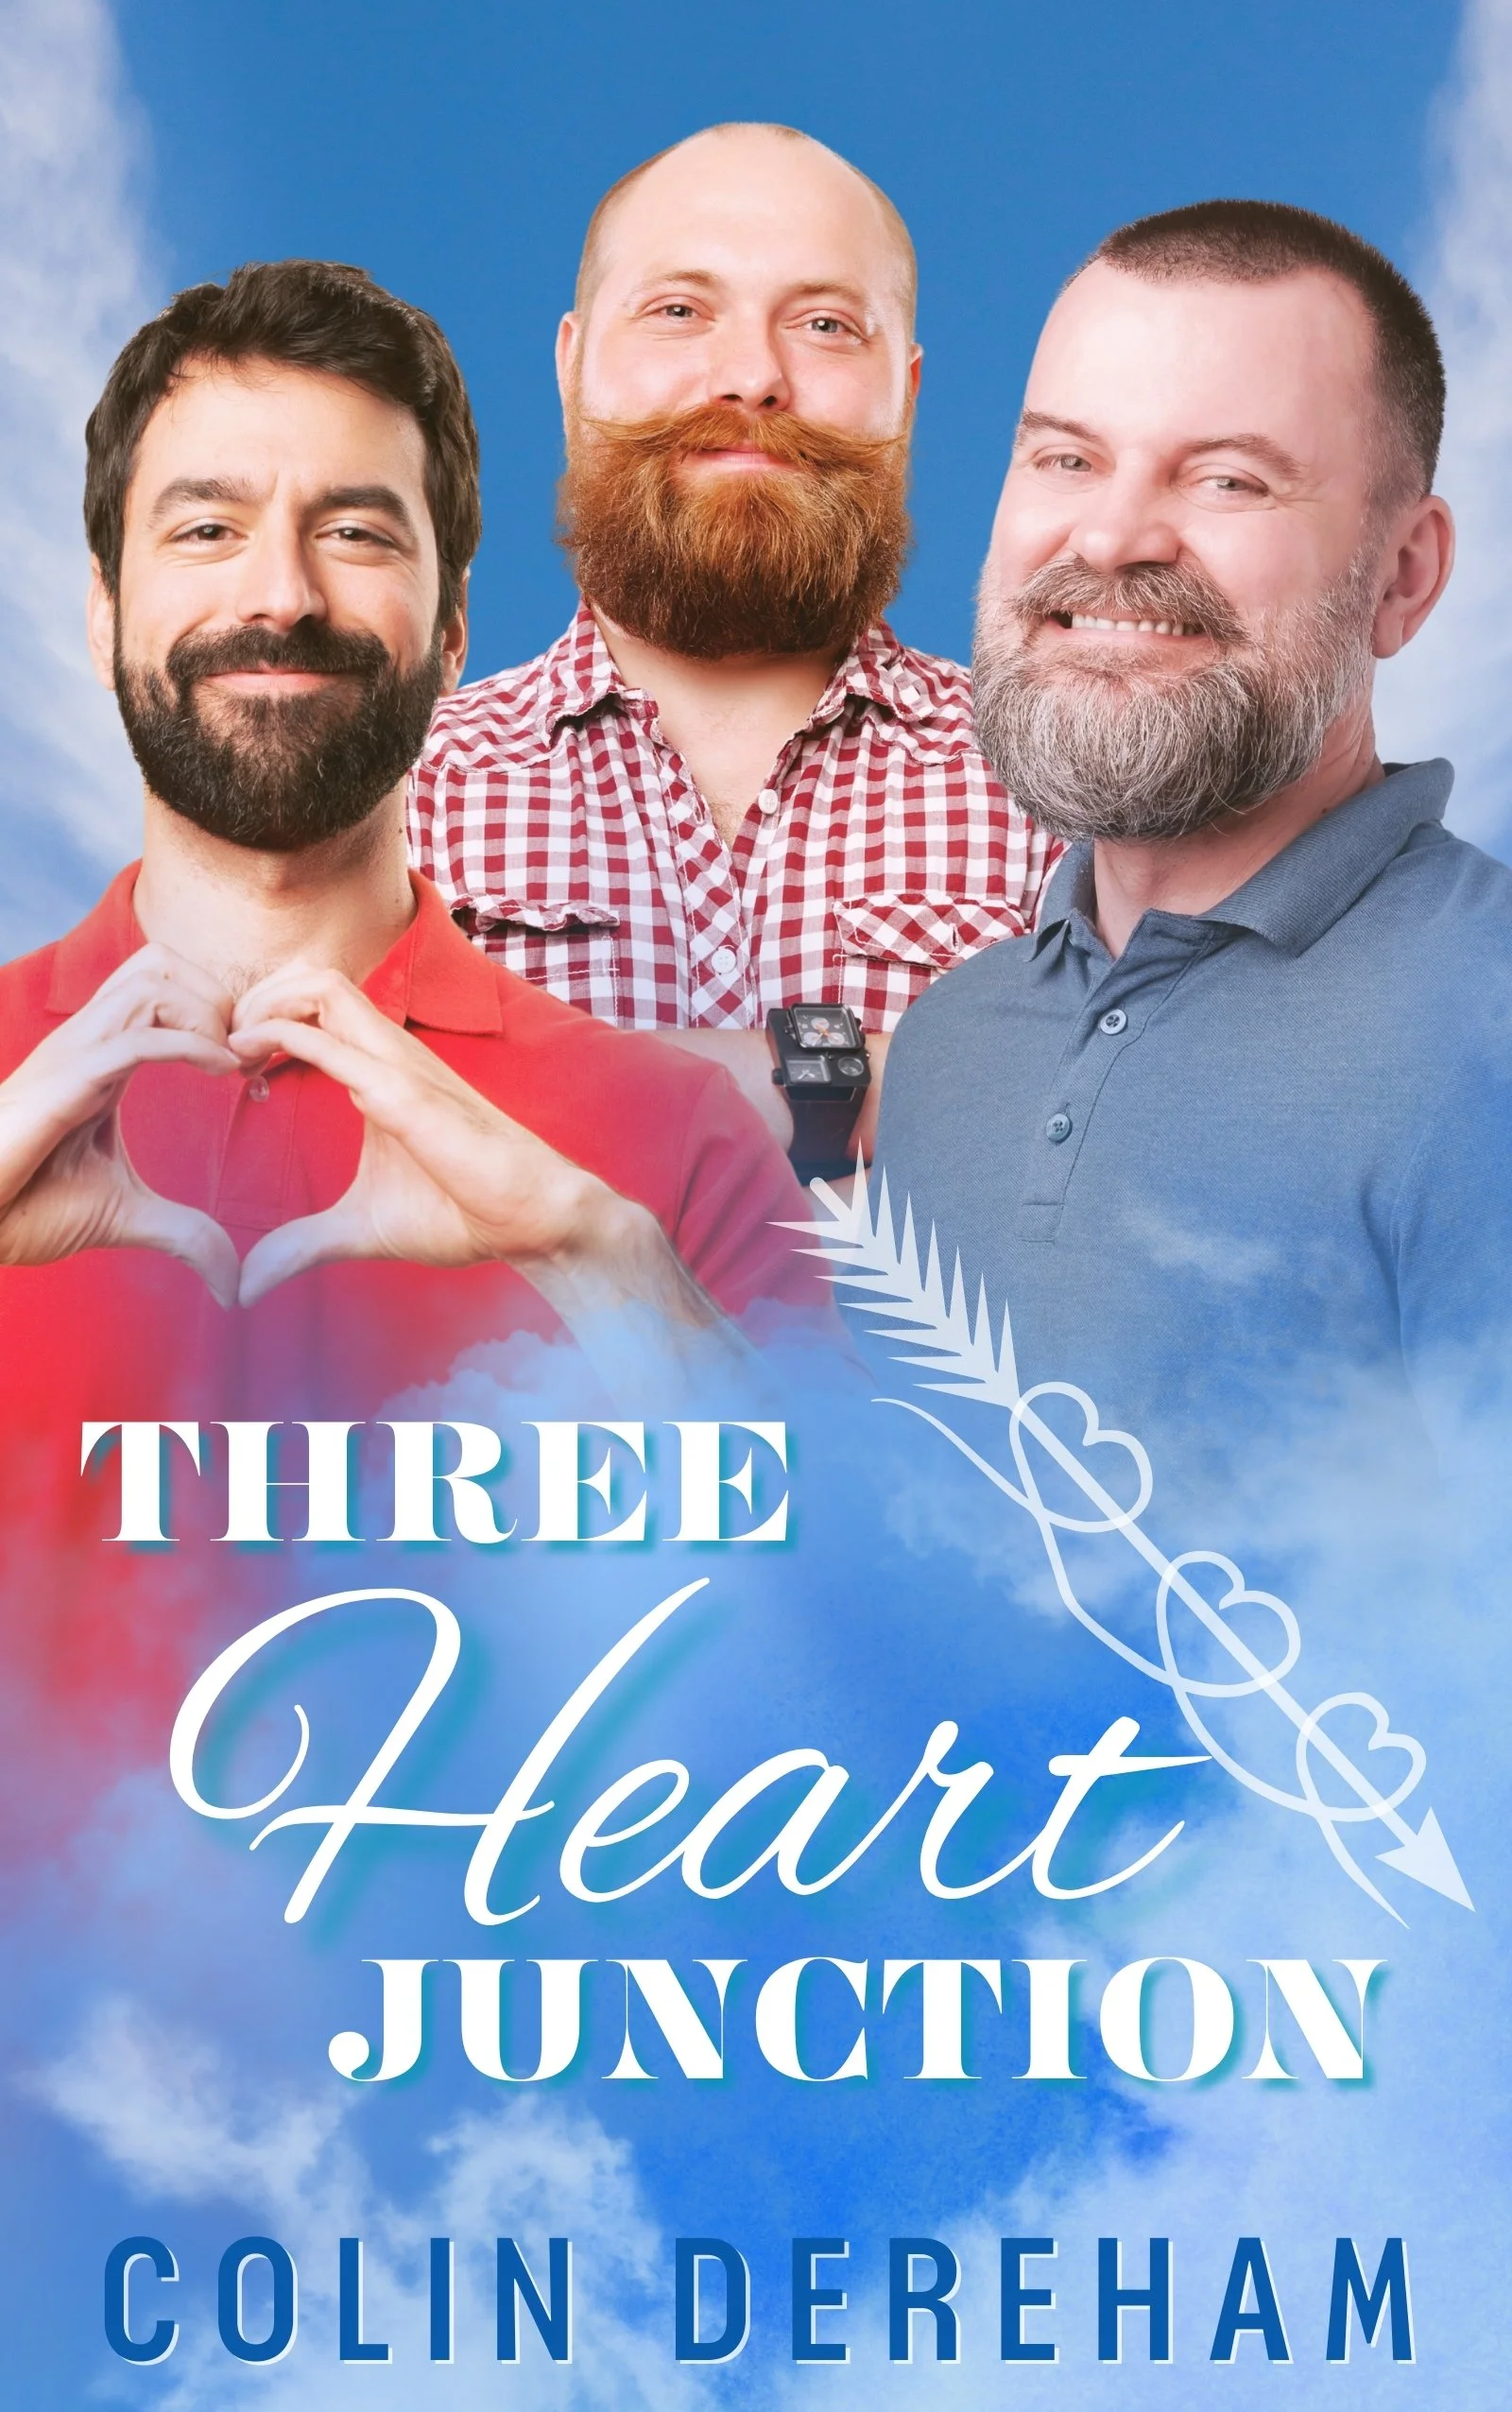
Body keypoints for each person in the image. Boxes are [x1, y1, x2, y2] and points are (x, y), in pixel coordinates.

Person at [0, 258, 823, 1475]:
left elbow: (888, 1640)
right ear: (103, 609)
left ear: (452, 631)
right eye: (208, 529)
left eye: (352, 532)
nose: (280, 595)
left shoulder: (680, 1137)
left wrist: (608, 1272)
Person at [872, 200, 1512, 1490]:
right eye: (1063, 460)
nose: (1111, 541)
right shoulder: (950, 1048)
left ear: (1404, 578)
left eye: (1228, 479)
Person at [408, 122, 1058, 1179]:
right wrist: (892, 1094)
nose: (752, 375)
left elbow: (1142, 1174)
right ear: (573, 366)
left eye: (826, 324)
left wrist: (525, 1094)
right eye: (678, 311)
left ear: (910, 390)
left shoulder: (1059, 789)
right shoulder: (398, 795)